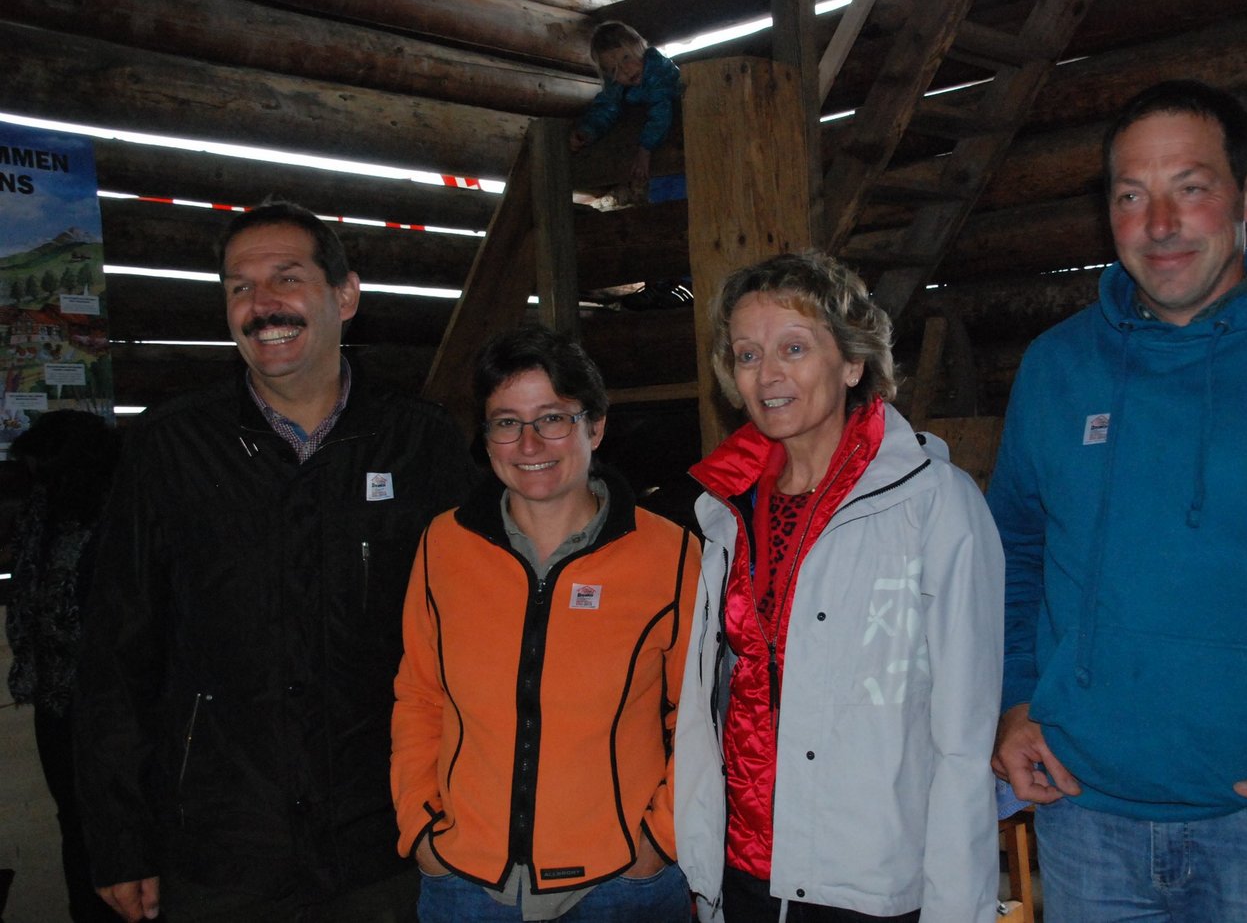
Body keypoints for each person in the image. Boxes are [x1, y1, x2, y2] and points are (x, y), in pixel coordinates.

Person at [987, 79, 1247, 921]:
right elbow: (1015, 554)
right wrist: (1014, 696)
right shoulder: (1058, 368)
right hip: (1086, 823)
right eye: (1132, 195)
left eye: (1191, 187)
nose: (1160, 225)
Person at [72, 201, 474, 923]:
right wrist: (119, 838)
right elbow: (114, 653)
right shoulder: (170, 449)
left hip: (384, 843)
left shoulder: (420, 445)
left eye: (285, 279)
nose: (262, 306)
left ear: (344, 296)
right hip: (220, 847)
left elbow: (480, 639)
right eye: (239, 288)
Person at [674, 252, 1006, 921]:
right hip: (744, 871)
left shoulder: (933, 505)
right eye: (746, 355)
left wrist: (956, 906)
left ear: (852, 363)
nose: (768, 375)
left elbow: (963, 736)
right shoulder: (725, 513)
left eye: (793, 348)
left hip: (868, 881)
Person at [391, 324, 700, 922]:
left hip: (619, 885)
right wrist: (422, 829)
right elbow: (420, 696)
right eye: (506, 422)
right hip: (465, 883)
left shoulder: (671, 554)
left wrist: (657, 842)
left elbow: (699, 719)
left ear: (596, 426)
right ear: (486, 438)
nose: (529, 443)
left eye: (552, 418)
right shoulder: (443, 545)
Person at [5, 410, 121, 923]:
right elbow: (30, 602)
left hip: (114, 704)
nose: (37, 480)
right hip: (58, 700)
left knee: (117, 822)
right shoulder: (42, 512)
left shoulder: (116, 514)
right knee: (75, 822)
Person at [569, 21, 683, 201]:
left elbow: (661, 111)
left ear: (639, 46)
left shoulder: (659, 72)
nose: (624, 70)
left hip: (679, 145)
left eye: (626, 58)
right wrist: (587, 131)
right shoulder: (618, 87)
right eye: (614, 69)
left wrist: (645, 150)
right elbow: (606, 108)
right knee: (663, 195)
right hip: (661, 161)